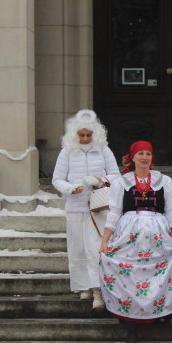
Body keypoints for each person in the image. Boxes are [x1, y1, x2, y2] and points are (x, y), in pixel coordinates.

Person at [98, 141, 172, 343]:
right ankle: (131, 328)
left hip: (159, 237)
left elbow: (171, 211)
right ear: (132, 157)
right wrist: (105, 241)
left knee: (155, 277)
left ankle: (154, 316)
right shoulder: (122, 183)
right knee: (130, 278)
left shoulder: (164, 181)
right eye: (140, 153)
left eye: (148, 153)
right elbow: (114, 213)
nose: (145, 157)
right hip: (129, 236)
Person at [51, 109, 120, 310]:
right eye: (81, 135)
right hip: (75, 206)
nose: (85, 138)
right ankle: (83, 286)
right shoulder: (67, 152)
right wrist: (69, 188)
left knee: (96, 247)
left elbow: (116, 175)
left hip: (98, 207)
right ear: (75, 135)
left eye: (88, 135)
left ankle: (98, 288)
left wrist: (99, 180)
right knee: (77, 247)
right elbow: (57, 179)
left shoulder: (104, 150)